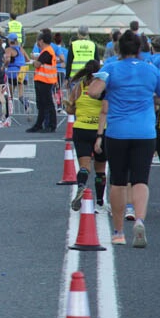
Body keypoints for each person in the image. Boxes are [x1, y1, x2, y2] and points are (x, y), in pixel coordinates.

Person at [88, 31, 160, 247]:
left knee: (118, 181)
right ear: (141, 49)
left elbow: (93, 93)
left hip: (118, 132)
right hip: (145, 132)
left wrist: (104, 84)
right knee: (141, 180)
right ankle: (139, 220)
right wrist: (150, 98)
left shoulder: (111, 68)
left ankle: (118, 231)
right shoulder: (151, 70)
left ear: (118, 48)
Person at [64, 60, 107, 211]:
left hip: (81, 129)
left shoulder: (78, 87)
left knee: (84, 166)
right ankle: (100, 202)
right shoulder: (102, 87)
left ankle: (81, 186)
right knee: (100, 168)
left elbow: (70, 111)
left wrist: (68, 105)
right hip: (100, 130)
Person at [27, 29, 58, 133]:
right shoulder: (46, 51)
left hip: (45, 81)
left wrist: (33, 61)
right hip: (43, 80)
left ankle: (51, 125)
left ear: (41, 41)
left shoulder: (47, 52)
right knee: (41, 104)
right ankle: (39, 124)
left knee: (47, 104)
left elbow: (37, 64)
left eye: (38, 41)